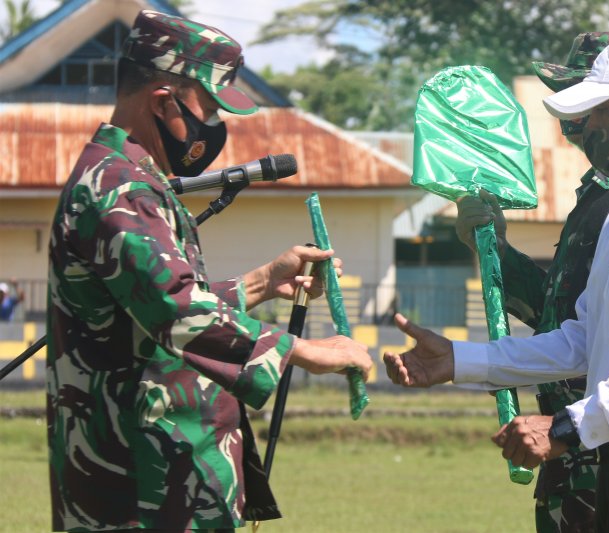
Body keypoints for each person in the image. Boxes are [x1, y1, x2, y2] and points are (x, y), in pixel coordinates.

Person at [385, 32, 609, 532]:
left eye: (601, 112)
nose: (586, 127)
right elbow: (581, 339)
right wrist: (461, 360)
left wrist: (569, 427)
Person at [46, 10, 372, 533]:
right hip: (138, 485)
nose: (216, 128)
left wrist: (263, 282)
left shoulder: (133, 179)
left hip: (163, 473)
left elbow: (143, 303)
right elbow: (175, 307)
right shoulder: (118, 189)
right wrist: (303, 351)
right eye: (211, 109)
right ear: (162, 100)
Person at [455, 31, 609, 533]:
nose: (572, 119)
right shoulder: (596, 194)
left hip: (606, 447)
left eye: (583, 97)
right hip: (566, 448)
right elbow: (563, 320)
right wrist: (495, 252)